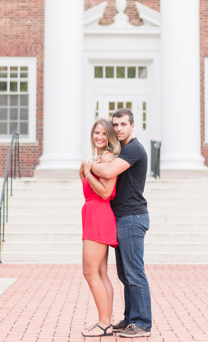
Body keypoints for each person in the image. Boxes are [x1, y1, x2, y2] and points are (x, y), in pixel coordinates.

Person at [84, 108, 152, 338]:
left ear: (133, 126)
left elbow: (109, 170)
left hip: (132, 217)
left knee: (134, 274)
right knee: (125, 275)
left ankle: (142, 323)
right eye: (116, 125)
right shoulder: (121, 149)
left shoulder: (133, 148)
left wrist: (87, 166)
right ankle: (130, 319)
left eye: (123, 124)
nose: (119, 128)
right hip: (120, 217)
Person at [79, 118, 120, 337]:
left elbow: (105, 192)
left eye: (104, 134)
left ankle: (104, 323)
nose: (100, 137)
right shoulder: (96, 159)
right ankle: (107, 321)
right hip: (92, 214)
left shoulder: (108, 158)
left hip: (99, 215)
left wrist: (87, 173)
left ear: (110, 137)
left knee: (90, 272)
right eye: (97, 133)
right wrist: (85, 170)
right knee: (101, 273)